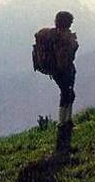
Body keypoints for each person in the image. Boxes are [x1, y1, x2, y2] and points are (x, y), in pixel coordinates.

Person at [33, 11, 79, 156]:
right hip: (63, 70)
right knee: (67, 93)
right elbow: (67, 56)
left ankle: (66, 121)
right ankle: (63, 123)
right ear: (67, 23)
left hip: (56, 71)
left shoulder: (51, 35)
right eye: (70, 22)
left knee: (68, 93)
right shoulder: (63, 37)